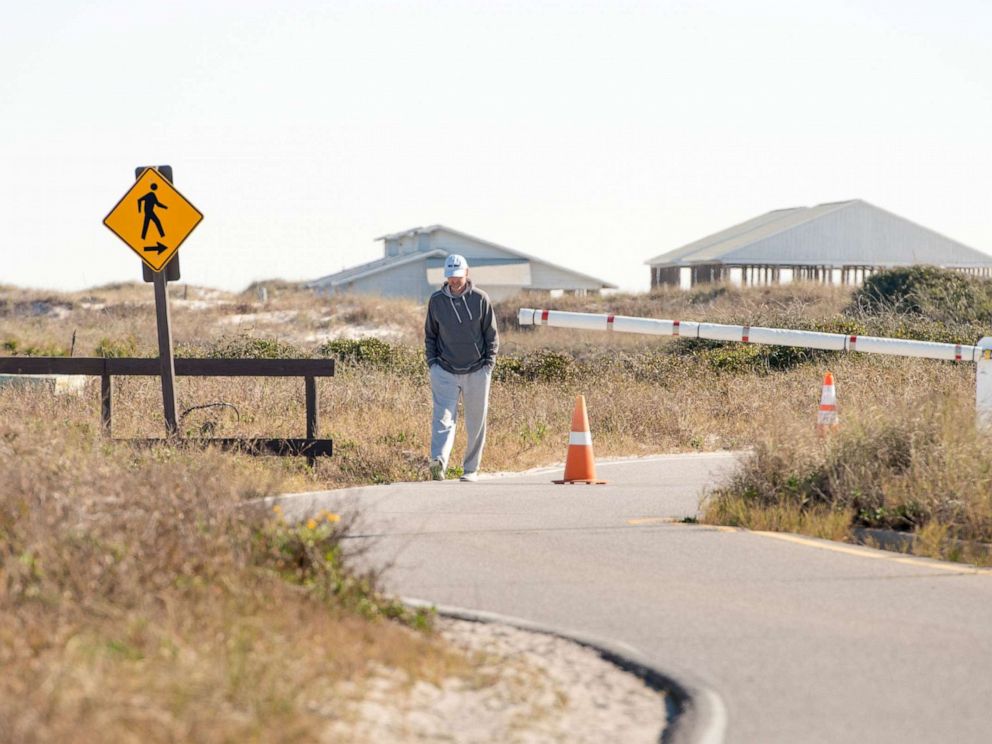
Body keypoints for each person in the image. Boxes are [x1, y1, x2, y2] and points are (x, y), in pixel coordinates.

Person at [424, 254, 499, 482]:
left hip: (477, 370)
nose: (454, 281)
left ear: (467, 274)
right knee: (442, 419)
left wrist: (488, 364)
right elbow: (430, 335)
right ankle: (439, 463)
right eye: (450, 276)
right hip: (444, 370)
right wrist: (433, 364)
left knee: (476, 422)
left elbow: (491, 335)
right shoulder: (436, 300)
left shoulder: (480, 299)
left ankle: (470, 469)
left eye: (458, 276)